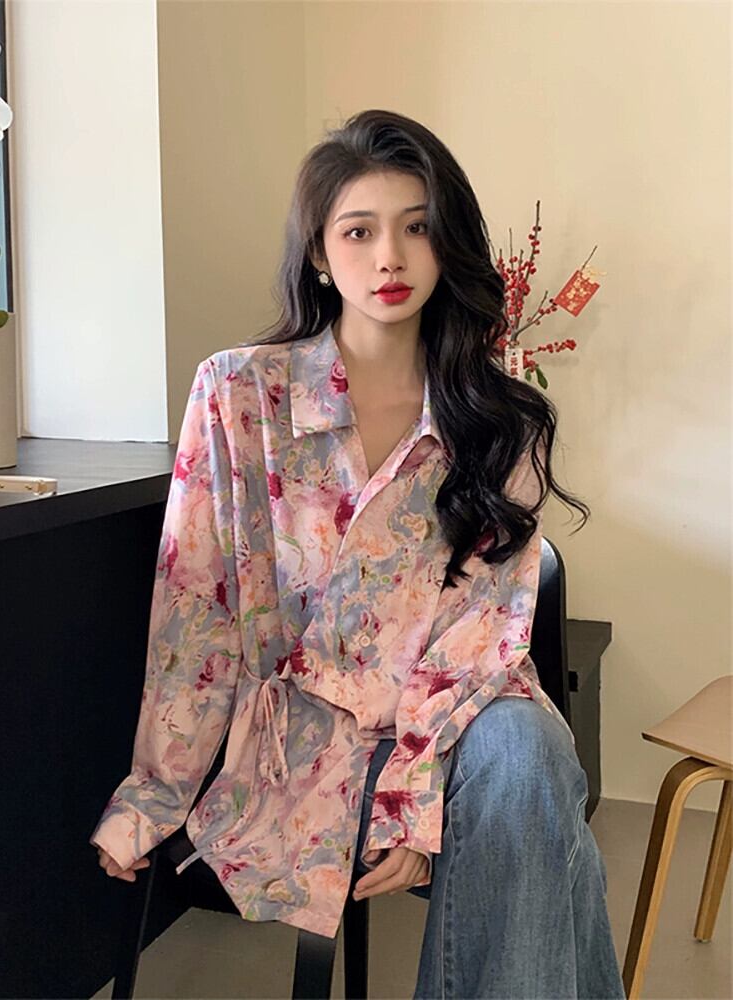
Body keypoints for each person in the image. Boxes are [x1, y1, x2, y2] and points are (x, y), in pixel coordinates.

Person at [92, 109, 625, 998]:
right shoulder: (240, 395)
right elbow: (196, 613)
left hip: (455, 718)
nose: (390, 257)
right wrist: (154, 791)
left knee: (528, 751)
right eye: (359, 231)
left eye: (417, 228)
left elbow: (484, 636)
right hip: (304, 740)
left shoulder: (504, 420)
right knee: (547, 812)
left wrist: (412, 793)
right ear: (317, 251)